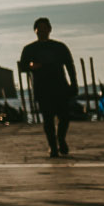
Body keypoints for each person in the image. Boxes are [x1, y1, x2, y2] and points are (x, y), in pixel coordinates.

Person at [18, 18, 78, 158]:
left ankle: (61, 139)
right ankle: (53, 147)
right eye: (39, 28)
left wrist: (73, 83)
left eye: (45, 28)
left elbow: (69, 65)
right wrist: (32, 66)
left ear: (50, 29)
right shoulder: (29, 49)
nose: (42, 30)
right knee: (48, 119)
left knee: (64, 117)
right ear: (35, 31)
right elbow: (23, 66)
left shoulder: (59, 47)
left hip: (60, 86)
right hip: (42, 88)